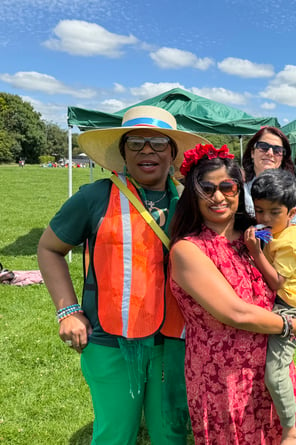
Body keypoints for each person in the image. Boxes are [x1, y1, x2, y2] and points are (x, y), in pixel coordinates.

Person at [37, 105, 209, 444]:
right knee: (115, 434)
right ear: (122, 152)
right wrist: (68, 311)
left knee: (172, 433)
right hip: (110, 340)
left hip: (176, 341)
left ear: (172, 152)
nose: (147, 150)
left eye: (158, 142)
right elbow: (49, 248)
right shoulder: (95, 196)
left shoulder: (194, 201)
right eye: (136, 142)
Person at [168, 143, 296, 444]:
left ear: (240, 189)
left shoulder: (255, 234)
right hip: (224, 378)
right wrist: (293, 325)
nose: (219, 196)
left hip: (271, 371)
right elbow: (234, 312)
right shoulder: (188, 250)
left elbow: (293, 252)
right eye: (206, 189)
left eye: (228, 186)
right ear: (192, 194)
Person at [243, 169, 296, 445]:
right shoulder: (273, 231)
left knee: (275, 374)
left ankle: (290, 427)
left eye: (275, 212)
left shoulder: (292, 243)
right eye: (260, 211)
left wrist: (254, 250)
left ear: (292, 212)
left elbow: (275, 282)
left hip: (288, 309)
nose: (265, 219)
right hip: (278, 304)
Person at [241, 126, 296, 223]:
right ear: (252, 152)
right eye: (263, 147)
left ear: (283, 157)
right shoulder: (238, 187)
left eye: (277, 150)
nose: (270, 153)